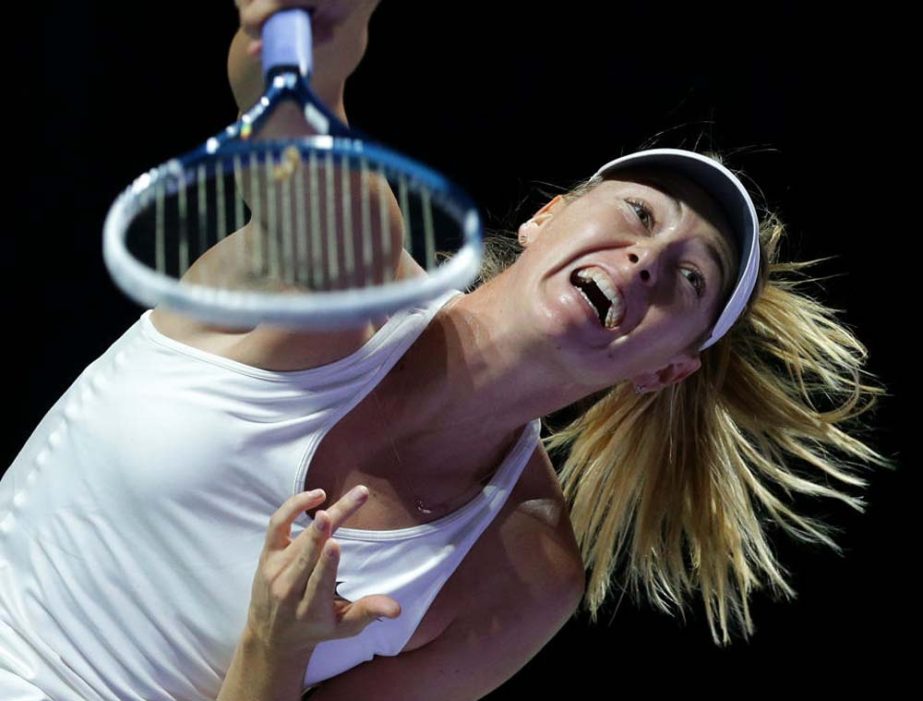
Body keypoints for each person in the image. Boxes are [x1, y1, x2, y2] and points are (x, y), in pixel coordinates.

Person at [0, 1, 895, 699]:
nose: (647, 259)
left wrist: (274, 649)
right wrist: (303, 39)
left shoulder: (521, 580)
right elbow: (285, 94)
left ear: (661, 369)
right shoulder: (346, 276)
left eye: (690, 280)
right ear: (547, 217)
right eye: (637, 212)